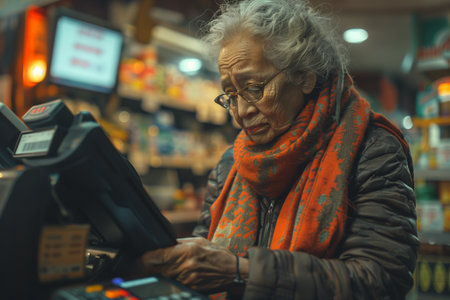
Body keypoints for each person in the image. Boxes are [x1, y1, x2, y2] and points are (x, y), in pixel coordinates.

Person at [140, 0, 418, 299]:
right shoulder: (231, 162)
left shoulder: (371, 149)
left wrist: (241, 272)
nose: (241, 111)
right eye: (230, 95)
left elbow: (381, 279)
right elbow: (205, 249)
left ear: (305, 76)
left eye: (255, 88)